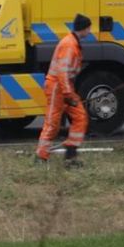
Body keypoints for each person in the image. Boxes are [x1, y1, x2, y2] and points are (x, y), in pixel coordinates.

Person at [35, 13, 92, 167]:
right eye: (89, 28)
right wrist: (68, 94)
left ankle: (71, 154)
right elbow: (62, 72)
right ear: (85, 28)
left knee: (80, 117)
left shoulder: (73, 42)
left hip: (65, 87)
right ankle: (41, 157)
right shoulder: (69, 45)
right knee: (52, 123)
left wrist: (68, 92)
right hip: (57, 87)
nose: (90, 31)